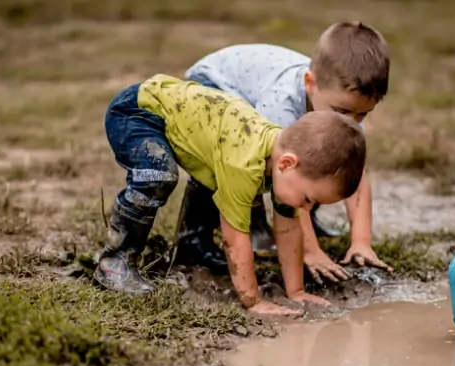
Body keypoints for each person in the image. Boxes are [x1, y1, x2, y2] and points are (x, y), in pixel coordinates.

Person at [93, 74, 367, 317]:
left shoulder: (283, 162)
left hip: (183, 120)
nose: (308, 206)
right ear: (287, 163)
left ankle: (192, 249)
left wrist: (295, 291)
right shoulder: (244, 164)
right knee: (158, 175)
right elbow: (235, 238)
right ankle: (115, 261)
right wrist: (253, 300)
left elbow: (288, 229)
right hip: (138, 112)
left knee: (214, 179)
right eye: (309, 198)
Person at [176, 21, 392, 283]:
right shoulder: (281, 103)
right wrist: (309, 252)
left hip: (252, 88)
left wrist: (361, 242)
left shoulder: (345, 113)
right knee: (239, 161)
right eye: (344, 112)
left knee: (328, 160)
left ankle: (304, 223)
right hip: (215, 85)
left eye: (363, 113)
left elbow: (356, 176)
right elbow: (288, 176)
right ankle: (195, 238)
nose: (352, 121)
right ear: (310, 83)